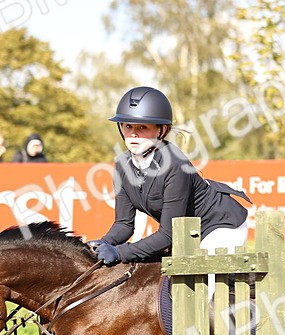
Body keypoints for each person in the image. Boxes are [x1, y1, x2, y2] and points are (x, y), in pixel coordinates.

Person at [92, 86, 251, 266]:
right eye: (128, 126)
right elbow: (124, 224)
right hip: (185, 232)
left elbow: (168, 235)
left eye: (142, 127)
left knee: (207, 285)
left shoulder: (176, 165)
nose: (133, 134)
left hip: (220, 226)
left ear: (162, 130)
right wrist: (104, 243)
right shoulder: (122, 166)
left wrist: (120, 252)